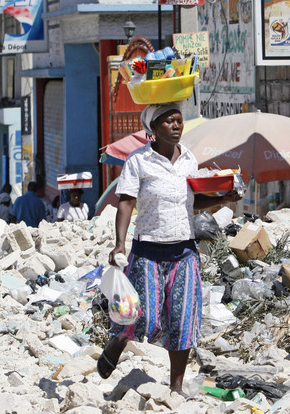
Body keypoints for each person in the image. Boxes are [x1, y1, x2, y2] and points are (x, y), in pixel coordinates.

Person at [96, 103, 242, 395]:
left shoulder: (189, 158)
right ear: (153, 128)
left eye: (179, 120)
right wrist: (120, 243)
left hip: (185, 252)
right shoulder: (139, 161)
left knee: (183, 320)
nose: (177, 126)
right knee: (143, 316)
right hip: (148, 250)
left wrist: (224, 198)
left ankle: (176, 388)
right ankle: (119, 340)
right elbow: (126, 200)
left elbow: (192, 203)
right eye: (169, 121)